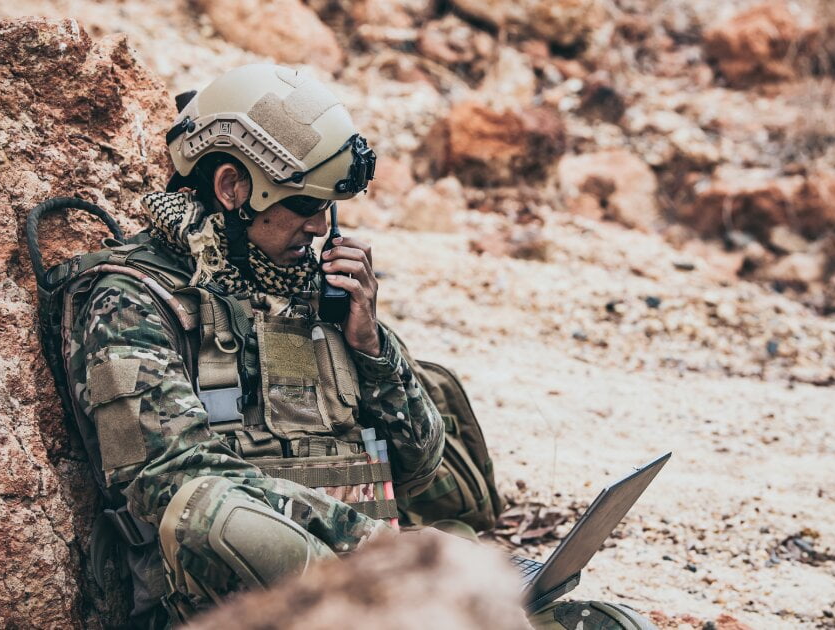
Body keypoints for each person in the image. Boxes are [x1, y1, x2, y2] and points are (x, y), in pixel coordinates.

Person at [63, 63, 653, 629]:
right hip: (254, 608)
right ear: (231, 187)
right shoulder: (133, 299)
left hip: (384, 591)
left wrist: (370, 345)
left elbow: (420, 467)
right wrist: (379, 555)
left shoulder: (320, 294)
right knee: (214, 513)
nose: (322, 227)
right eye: (305, 204)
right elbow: (169, 481)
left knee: (610, 623)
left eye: (329, 207)